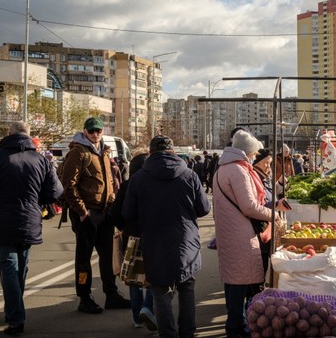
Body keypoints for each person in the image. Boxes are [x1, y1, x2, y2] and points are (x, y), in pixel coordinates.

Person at [123, 136, 210, 338]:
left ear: (151, 153)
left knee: (160, 291)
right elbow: (204, 208)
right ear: (172, 152)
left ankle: (168, 334)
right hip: (186, 241)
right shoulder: (189, 175)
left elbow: (127, 213)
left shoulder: (138, 179)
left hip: (154, 241)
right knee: (186, 287)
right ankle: (187, 333)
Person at [0, 121, 63, 335]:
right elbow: (55, 192)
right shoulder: (41, 160)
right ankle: (14, 311)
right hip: (29, 220)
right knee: (21, 267)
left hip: (1, 220)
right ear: (29, 135)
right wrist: (37, 202)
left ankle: (16, 316)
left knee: (9, 267)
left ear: (8, 134)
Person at [214, 130, 281, 338]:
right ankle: (237, 328)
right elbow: (249, 206)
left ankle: (236, 324)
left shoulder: (224, 169)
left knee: (234, 282)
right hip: (240, 235)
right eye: (253, 153)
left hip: (230, 232)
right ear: (246, 152)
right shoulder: (238, 171)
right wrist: (274, 214)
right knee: (239, 284)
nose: (254, 157)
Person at [61, 117, 130, 314]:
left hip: (105, 213)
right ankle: (84, 298)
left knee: (108, 256)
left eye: (98, 130)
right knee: (83, 259)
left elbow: (108, 181)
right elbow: (69, 185)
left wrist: (112, 201)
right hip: (87, 215)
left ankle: (112, 294)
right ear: (85, 132)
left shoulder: (104, 152)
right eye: (91, 131)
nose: (95, 134)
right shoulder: (78, 152)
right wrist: (82, 212)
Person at [109, 152, 157, 331]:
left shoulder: (127, 185)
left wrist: (124, 228)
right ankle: (148, 308)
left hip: (131, 238)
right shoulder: (153, 185)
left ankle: (137, 318)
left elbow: (115, 213)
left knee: (133, 279)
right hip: (152, 237)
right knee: (152, 277)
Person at [252, 148, 290, 274]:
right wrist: (275, 204)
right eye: (266, 163)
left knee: (264, 263)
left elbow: (270, 192)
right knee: (259, 265)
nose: (269, 167)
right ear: (257, 164)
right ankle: (256, 291)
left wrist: (279, 184)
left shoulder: (264, 177)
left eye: (270, 163)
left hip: (267, 227)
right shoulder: (255, 179)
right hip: (259, 228)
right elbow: (256, 206)